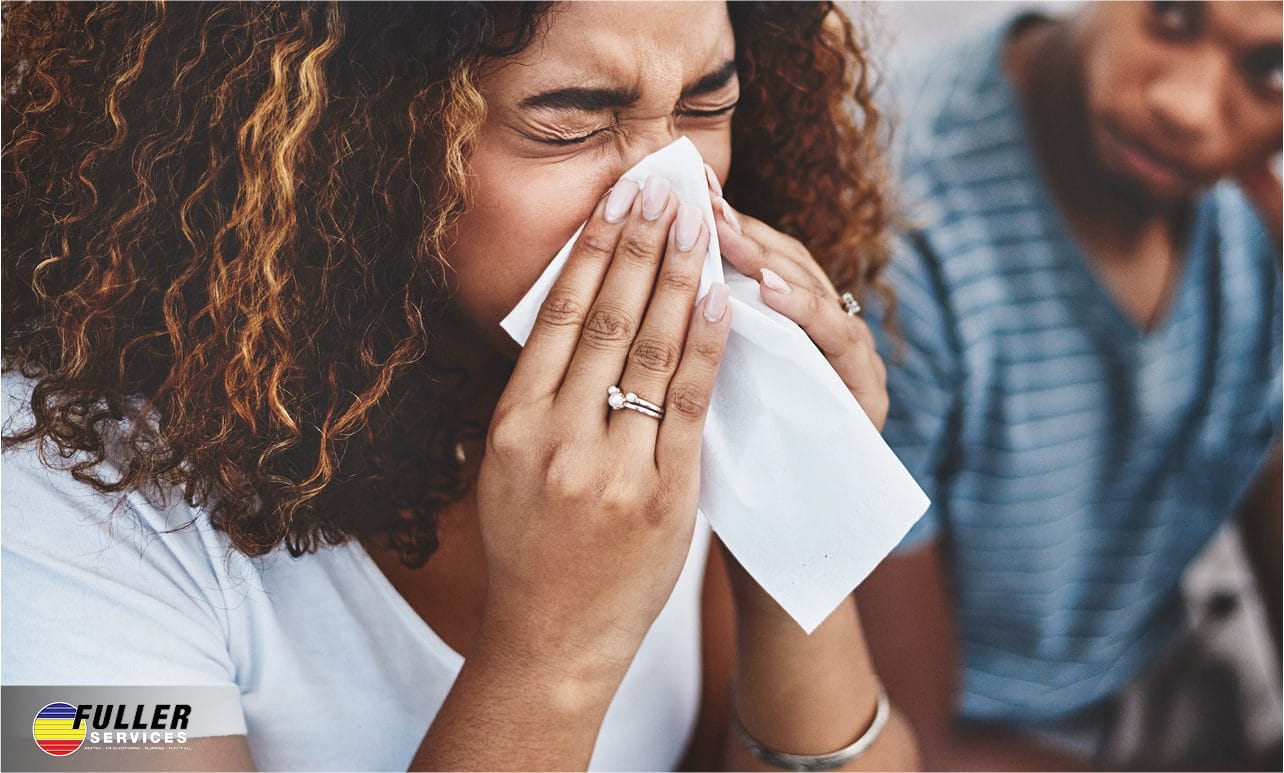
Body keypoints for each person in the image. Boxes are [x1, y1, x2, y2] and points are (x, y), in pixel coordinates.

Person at [1, 2, 918, 770]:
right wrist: (554, 649)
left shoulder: (670, 395)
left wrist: (795, 516)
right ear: (347, 147)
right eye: (571, 122)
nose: (671, 193)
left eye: (706, 106)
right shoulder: (52, 491)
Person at [856, 1, 1282, 769]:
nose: (1184, 104)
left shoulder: (1257, 217)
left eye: (1271, 69)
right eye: (1174, 16)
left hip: (1163, 662)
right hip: (980, 730)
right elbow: (904, 738)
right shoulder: (899, 232)